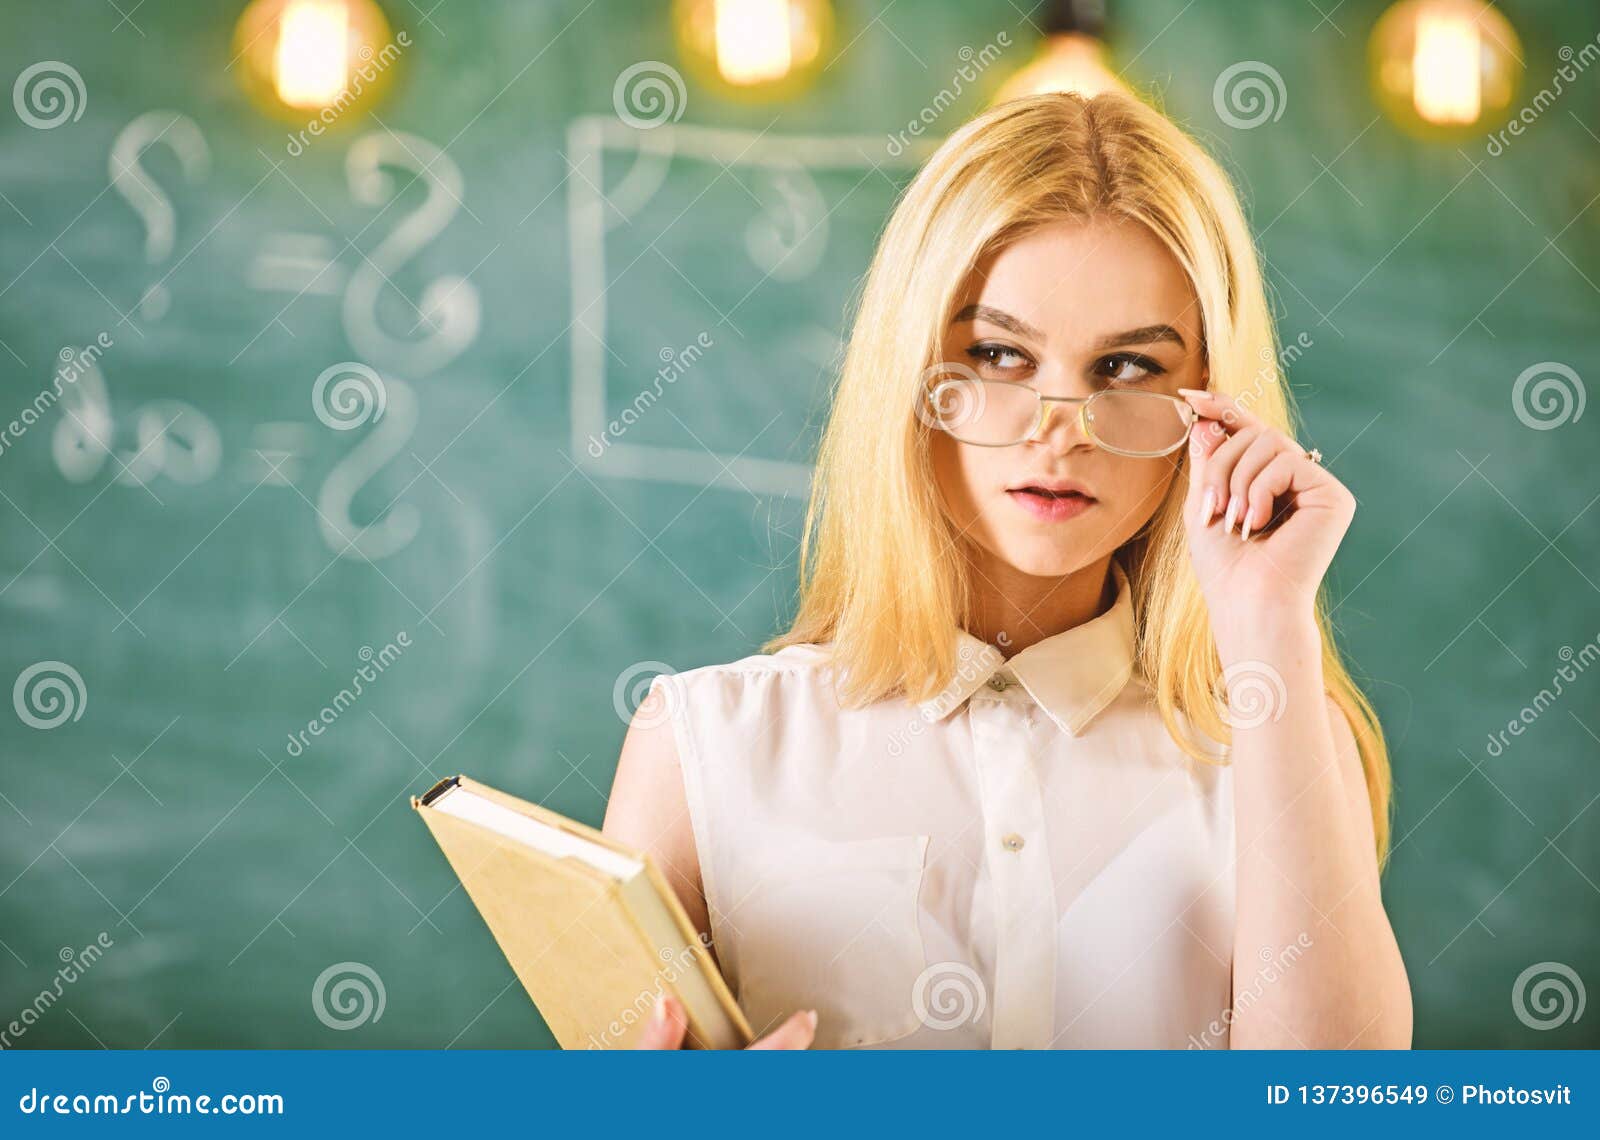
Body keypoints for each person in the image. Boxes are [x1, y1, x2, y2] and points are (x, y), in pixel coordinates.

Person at [604, 89, 1411, 1050]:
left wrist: (1266, 618)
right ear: (908, 375)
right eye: (996, 354)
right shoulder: (700, 746)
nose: (1056, 430)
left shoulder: (1282, 739)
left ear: (1213, 403)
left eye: (1127, 369)